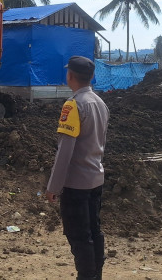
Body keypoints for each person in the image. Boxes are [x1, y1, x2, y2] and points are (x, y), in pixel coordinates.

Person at [44, 55, 109, 280]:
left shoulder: (73, 106)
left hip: (76, 185)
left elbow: (65, 151)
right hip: (95, 179)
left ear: (70, 76)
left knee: (79, 237)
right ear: (91, 77)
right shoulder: (100, 103)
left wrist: (54, 186)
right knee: (94, 232)